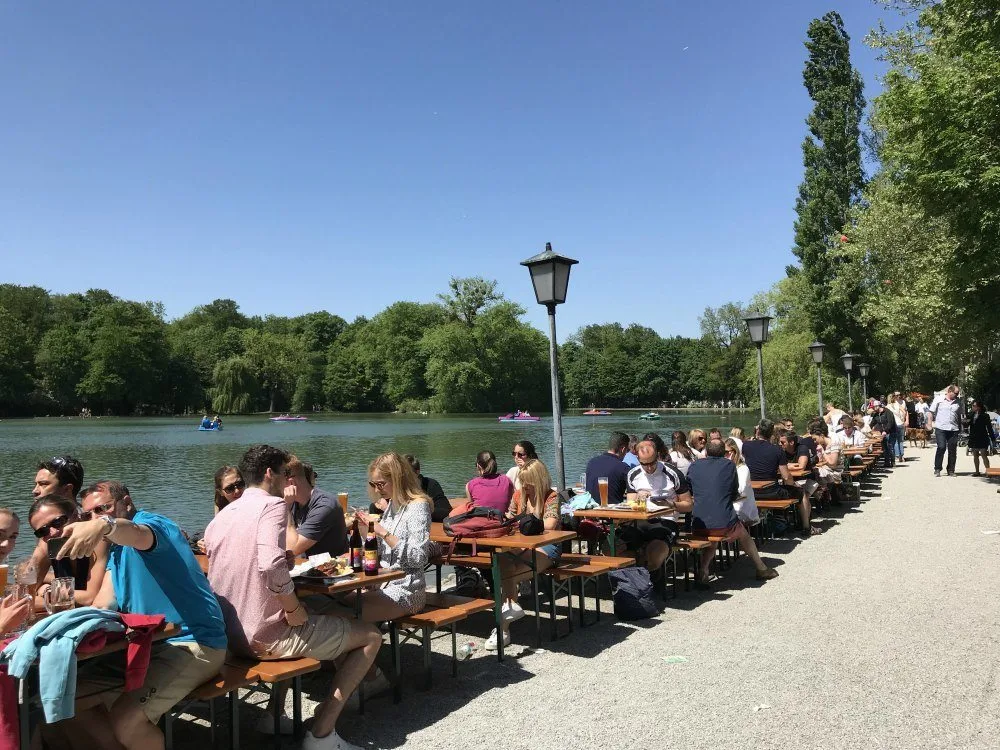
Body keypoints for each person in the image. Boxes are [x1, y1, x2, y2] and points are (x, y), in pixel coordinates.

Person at [205, 444, 380, 750]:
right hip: (264, 638)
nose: (287, 480)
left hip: (229, 635)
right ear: (269, 473)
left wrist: (283, 572)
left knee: (311, 616)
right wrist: (292, 606)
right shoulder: (272, 506)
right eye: (284, 473)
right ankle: (322, 732)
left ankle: (273, 715)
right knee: (370, 636)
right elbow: (270, 564)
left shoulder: (222, 516)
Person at [57, 480, 227, 750]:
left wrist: (104, 525)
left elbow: (136, 534)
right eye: (89, 514)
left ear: (126, 502)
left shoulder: (154, 526)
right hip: (147, 645)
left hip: (193, 643)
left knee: (126, 720)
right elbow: (102, 604)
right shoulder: (116, 550)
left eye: (103, 508)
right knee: (66, 699)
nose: (96, 518)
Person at [486, 458, 560, 652]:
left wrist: (527, 519)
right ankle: (510, 611)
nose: (525, 486)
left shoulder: (551, 496)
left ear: (539, 480)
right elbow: (509, 518)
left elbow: (550, 524)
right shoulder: (519, 495)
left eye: (529, 482)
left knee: (506, 573)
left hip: (547, 547)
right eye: (523, 481)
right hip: (521, 546)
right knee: (502, 560)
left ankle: (502, 628)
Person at [353, 453, 434, 622]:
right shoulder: (391, 505)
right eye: (373, 484)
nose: (377, 490)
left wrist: (383, 532)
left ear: (397, 479)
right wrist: (364, 529)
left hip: (407, 590)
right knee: (331, 604)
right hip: (381, 583)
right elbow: (379, 552)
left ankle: (370, 637)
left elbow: (418, 558)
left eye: (380, 484)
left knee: (349, 614)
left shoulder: (418, 506)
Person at [686, 439, 777, 584]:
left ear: (706, 451)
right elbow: (734, 491)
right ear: (724, 452)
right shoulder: (728, 465)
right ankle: (761, 568)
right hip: (723, 524)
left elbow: (689, 489)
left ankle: (704, 569)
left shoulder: (695, 465)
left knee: (712, 534)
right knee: (743, 534)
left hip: (698, 524)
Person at [623, 440, 691, 574]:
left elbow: (689, 505)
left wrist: (671, 505)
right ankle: (634, 577)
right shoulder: (633, 474)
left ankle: (648, 576)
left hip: (666, 521)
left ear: (658, 456)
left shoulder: (672, 473)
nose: (649, 468)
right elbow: (630, 504)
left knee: (654, 554)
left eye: (652, 463)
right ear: (638, 459)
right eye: (644, 464)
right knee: (614, 546)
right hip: (640, 520)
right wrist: (638, 497)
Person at [28, 495, 107, 606]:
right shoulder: (47, 544)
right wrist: (45, 589)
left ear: (75, 515)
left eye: (57, 522)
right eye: (42, 531)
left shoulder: (97, 541)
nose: (53, 532)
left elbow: (89, 598)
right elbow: (25, 592)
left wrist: (47, 591)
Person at [741, 420, 808, 534]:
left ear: (758, 431)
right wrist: (794, 484)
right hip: (771, 492)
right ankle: (806, 527)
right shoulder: (777, 450)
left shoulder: (746, 446)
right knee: (801, 492)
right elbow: (786, 477)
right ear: (772, 433)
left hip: (751, 492)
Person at [284, 461, 348, 558]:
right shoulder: (292, 501)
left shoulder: (324, 505)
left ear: (291, 483)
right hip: (302, 564)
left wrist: (286, 508)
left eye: (277, 482)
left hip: (329, 566)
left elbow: (292, 550)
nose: (275, 487)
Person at [777, 430, 820, 536]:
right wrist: (789, 466)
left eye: (783, 442)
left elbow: (801, 466)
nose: (780, 444)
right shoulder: (780, 450)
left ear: (791, 442)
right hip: (790, 480)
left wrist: (786, 466)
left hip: (807, 479)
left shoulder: (802, 448)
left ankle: (806, 525)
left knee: (803, 493)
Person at [583, 431, 630, 504]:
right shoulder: (623, 467)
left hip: (591, 507)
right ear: (623, 449)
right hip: (612, 509)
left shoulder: (591, 462)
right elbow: (632, 492)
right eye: (627, 450)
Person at [929, 385, 964, 477]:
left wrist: (960, 427)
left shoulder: (958, 402)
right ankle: (937, 468)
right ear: (950, 391)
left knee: (952, 450)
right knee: (941, 447)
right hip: (941, 428)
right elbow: (931, 412)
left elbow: (959, 415)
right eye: (956, 393)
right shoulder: (939, 399)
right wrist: (929, 424)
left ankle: (951, 470)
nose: (957, 395)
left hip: (953, 428)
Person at [404, 455, 450, 522]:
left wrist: (419, 509)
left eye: (406, 474)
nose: (403, 478)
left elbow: (445, 512)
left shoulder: (431, 485)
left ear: (417, 472)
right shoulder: (396, 486)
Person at [724, 438, 759, 526]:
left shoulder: (743, 469)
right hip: (728, 505)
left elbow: (740, 490)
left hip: (741, 508)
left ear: (734, 452)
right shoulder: (723, 468)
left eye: (726, 452)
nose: (723, 456)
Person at [968, 400, 997, 476]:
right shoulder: (971, 415)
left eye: (974, 406)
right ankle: (977, 471)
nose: (972, 407)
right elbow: (968, 424)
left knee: (984, 455)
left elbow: (989, 428)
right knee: (975, 455)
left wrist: (993, 438)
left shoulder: (985, 415)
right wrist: (965, 422)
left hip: (982, 437)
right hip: (973, 438)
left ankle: (989, 471)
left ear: (979, 407)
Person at [871, 402, 897, 468]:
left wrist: (885, 430)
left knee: (890, 447)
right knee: (885, 448)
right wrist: (868, 429)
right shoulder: (876, 414)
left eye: (874, 407)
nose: (873, 409)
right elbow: (872, 423)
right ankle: (887, 462)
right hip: (882, 433)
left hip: (891, 432)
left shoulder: (888, 412)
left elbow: (890, 423)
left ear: (878, 406)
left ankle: (893, 462)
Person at [888, 392, 909, 463]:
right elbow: (904, 411)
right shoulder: (897, 404)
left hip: (894, 424)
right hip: (900, 423)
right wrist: (903, 419)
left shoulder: (888, 406)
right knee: (900, 441)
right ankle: (901, 456)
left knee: (895, 441)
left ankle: (897, 456)